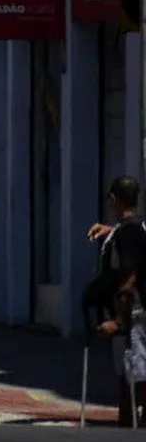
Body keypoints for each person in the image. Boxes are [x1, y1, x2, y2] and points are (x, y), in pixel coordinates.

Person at [85, 175, 146, 427]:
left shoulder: (129, 231)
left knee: (134, 377)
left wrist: (118, 321)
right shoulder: (134, 228)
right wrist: (111, 231)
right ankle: (128, 425)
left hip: (133, 315)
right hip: (133, 314)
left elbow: (130, 276)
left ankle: (130, 429)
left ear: (113, 200)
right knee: (129, 375)